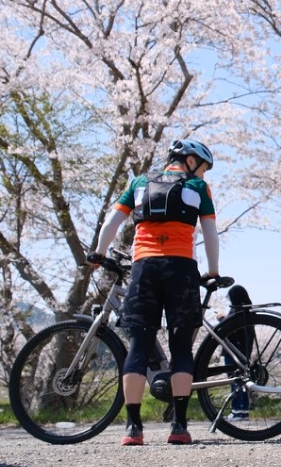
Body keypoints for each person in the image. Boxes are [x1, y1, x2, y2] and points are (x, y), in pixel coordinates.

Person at [87, 139, 220, 446]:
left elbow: (112, 221)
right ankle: (179, 426)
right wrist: (212, 270)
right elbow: (210, 232)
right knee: (181, 347)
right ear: (189, 161)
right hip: (182, 268)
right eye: (202, 166)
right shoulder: (199, 188)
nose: (203, 173)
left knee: (139, 346)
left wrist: (99, 253)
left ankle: (133, 429)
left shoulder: (140, 182)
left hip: (144, 268)